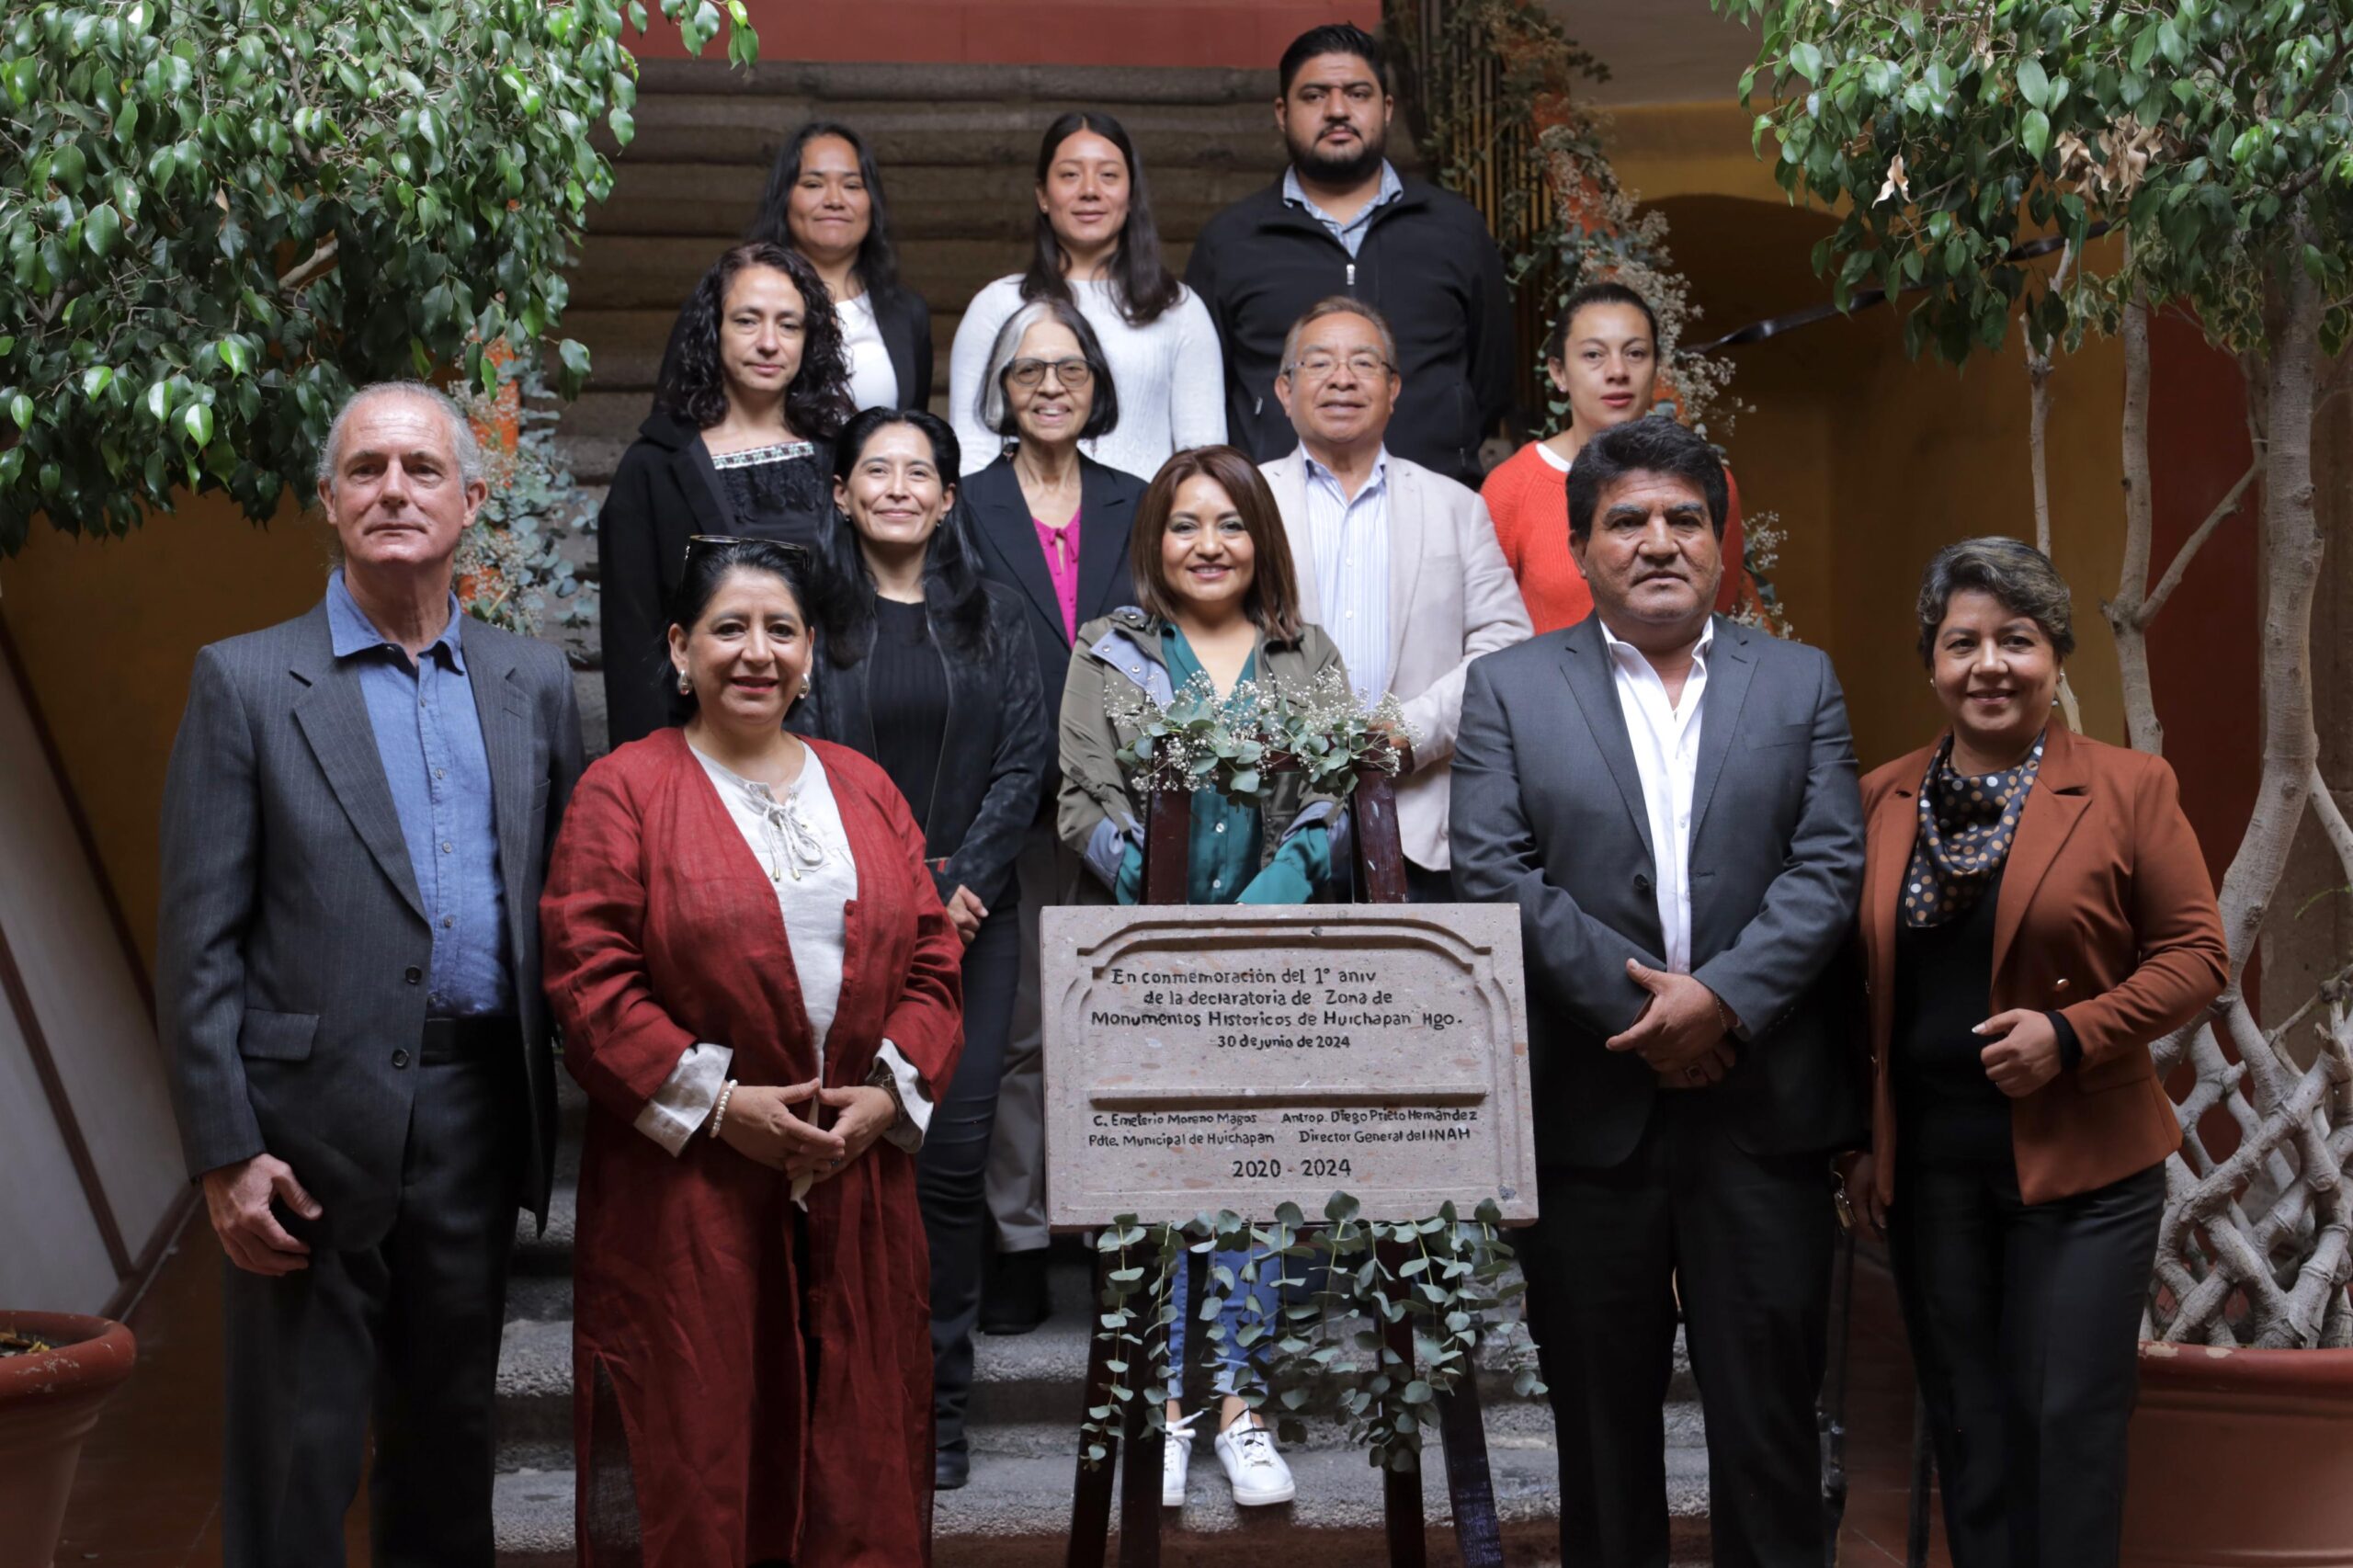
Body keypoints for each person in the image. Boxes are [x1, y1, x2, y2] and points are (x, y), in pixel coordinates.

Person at [158, 382, 585, 1568]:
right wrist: (223, 1152)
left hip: (475, 1111)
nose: (394, 489)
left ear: (472, 499)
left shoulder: (534, 682)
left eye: (421, 468)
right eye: (366, 469)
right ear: (330, 500)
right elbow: (197, 941)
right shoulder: (245, 681)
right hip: (300, 1133)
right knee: (297, 1456)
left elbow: (567, 899)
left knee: (449, 1445)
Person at [1449, 416, 1867, 1568]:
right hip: (1590, 1113)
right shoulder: (1509, 688)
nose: (1658, 540)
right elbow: (1493, 870)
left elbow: (1829, 865)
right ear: (1580, 548)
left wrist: (1720, 1000)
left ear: (1720, 542)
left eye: (1685, 517)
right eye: (1626, 519)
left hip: (1761, 1111)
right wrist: (1648, 1018)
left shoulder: (1798, 681)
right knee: (1600, 1433)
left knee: (1769, 1426)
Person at [540, 537, 964, 1566]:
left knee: (858, 1453)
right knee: (702, 1453)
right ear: (679, 649)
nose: (757, 652)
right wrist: (726, 1106)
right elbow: (589, 979)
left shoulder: (864, 786)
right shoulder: (623, 789)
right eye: (729, 628)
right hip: (691, 1190)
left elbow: (932, 958)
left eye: (782, 630)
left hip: (855, 1177)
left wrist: (885, 1097)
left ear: (811, 653)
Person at [1844, 539, 2225, 1568]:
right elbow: (1853, 991)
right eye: (1962, 643)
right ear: (1932, 662)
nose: (1989, 666)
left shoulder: (2129, 786)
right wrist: (1861, 1143)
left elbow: (2198, 956)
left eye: (2015, 640)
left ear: (2054, 655)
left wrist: (2069, 1032)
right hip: (1931, 1173)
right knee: (1968, 1428)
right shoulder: (1878, 798)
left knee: (2066, 1422)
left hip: (2085, 1167)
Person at [1059, 445, 1347, 1510]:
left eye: (1229, 523)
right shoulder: (1108, 650)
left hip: (1271, 968)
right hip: (1144, 964)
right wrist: (1169, 904)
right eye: (1185, 523)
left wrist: (1262, 906)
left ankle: (1240, 1406)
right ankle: (1165, 1410)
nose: (1208, 543)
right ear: (1155, 539)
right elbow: (1081, 799)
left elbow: (1330, 797)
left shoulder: (1306, 652)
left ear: (1260, 538)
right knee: (1158, 1183)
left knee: (1254, 1183)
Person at [794, 408, 1049, 1491]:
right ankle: (835, 1405)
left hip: (972, 926)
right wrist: (901, 895)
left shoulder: (998, 615)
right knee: (835, 1163)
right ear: (841, 492)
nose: (897, 487)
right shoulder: (805, 616)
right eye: (875, 470)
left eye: (919, 472)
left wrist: (960, 888)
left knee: (945, 1170)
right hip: (835, 917)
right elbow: (786, 756)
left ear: (948, 498)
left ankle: (937, 1414)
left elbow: (1025, 761)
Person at [961, 297, 1151, 1334]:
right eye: (1028, 370)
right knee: (1024, 1033)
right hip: (1019, 803)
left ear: (1095, 386)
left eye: (1069, 369)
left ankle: (1126, 1234)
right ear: (1000, 389)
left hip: (1133, 805)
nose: (1049, 386)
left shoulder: (1141, 500)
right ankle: (1021, 1237)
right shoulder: (965, 505)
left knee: (1128, 1020)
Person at [1259, 298, 1531, 902]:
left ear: (1393, 389)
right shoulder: (1242, 504)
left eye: (1364, 362)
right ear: (1284, 390)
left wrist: (1414, 730)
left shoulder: (1456, 506)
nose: (1342, 378)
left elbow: (1505, 645)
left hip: (1421, 822)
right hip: (1272, 822)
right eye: (1318, 363)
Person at [1186, 23, 1510, 487]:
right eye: (1314, 96)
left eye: (1357, 94)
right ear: (1282, 113)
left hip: (1432, 495)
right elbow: (1205, 388)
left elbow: (1491, 379)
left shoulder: (1456, 229)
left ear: (1387, 108)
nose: (1337, 110)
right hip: (1276, 506)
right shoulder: (1230, 241)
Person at [599, 241, 856, 746]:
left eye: (789, 325)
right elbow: (633, 644)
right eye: (747, 321)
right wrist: (651, 773)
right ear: (712, 329)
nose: (769, 343)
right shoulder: (653, 467)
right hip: (704, 745)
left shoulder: (844, 457)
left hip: (841, 737)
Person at [947, 109, 1224, 481]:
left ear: (1131, 194)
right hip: (1018, 515)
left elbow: (1204, 456)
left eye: (1108, 175)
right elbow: (972, 453)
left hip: (1146, 515)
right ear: (1043, 195)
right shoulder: (997, 305)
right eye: (1070, 175)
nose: (1090, 190)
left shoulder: (1178, 309)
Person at [1480, 280, 1752, 631]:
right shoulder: (1511, 487)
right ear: (1558, 372)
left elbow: (1719, 605)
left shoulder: (1703, 479)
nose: (1618, 372)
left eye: (1635, 353)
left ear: (1657, 367)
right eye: (1593, 355)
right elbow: (1491, 627)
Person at [747, 119, 933, 411]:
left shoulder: (907, 313)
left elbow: (913, 426)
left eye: (852, 185)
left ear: (871, 202)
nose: (834, 200)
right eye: (813, 184)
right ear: (785, 198)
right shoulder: (735, 296)